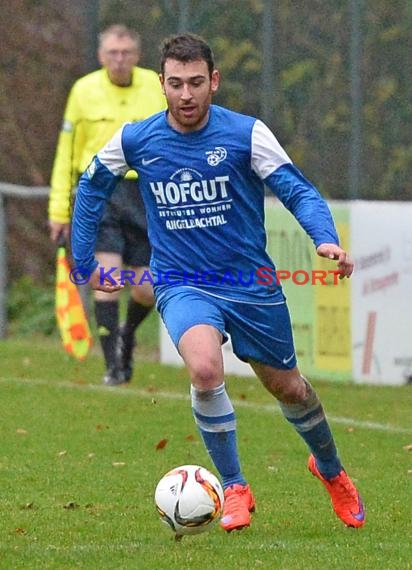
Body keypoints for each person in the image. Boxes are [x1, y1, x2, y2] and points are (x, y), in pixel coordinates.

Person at [71, 33, 366, 532]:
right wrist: (83, 261)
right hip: (182, 281)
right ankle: (233, 487)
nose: (186, 95)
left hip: (250, 283)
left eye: (196, 83)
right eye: (176, 84)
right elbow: (91, 185)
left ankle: (331, 470)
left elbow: (297, 189)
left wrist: (324, 238)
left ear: (214, 81)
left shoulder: (246, 133)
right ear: (161, 84)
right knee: (205, 370)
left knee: (289, 388)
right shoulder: (136, 139)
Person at [48, 24, 166, 385]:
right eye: (113, 53)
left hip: (144, 192)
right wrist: (58, 210)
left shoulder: (155, 86)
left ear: (137, 54)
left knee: (146, 287)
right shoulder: (83, 91)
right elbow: (66, 151)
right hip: (98, 191)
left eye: (126, 52)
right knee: (106, 278)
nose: (119, 59)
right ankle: (113, 366)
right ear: (101, 56)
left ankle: (127, 335)